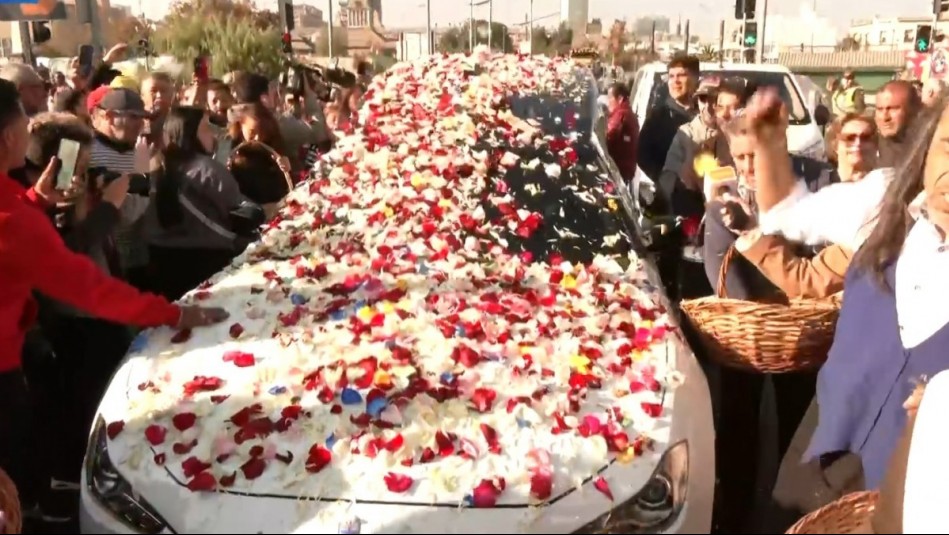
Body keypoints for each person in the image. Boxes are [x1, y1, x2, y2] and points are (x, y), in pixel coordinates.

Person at [0, 78, 226, 510]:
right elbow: (87, 285)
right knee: (18, 489)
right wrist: (174, 315)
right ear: (10, 136)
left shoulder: (19, 205)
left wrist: (37, 200)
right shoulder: (15, 218)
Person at [747, 85, 949, 493]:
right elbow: (788, 216)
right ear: (928, 147)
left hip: (910, 502)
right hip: (814, 471)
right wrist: (769, 143)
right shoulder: (883, 203)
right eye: (948, 146)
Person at [146, 107, 262, 300]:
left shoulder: (157, 168)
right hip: (211, 259)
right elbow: (239, 208)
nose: (212, 135)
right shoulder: (205, 169)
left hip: (162, 263)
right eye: (206, 129)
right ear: (190, 134)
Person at [637, 54, 700, 183]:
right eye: (671, 76)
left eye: (681, 75)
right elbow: (642, 156)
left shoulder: (707, 114)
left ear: (695, 78)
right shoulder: (657, 118)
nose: (675, 81)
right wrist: (663, 181)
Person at [875, 80, 921, 168]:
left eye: (893, 109)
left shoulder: (931, 146)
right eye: (880, 109)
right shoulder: (864, 143)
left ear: (914, 110)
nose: (885, 117)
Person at [604, 81, 639, 182]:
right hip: (627, 169)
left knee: (611, 197)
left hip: (618, 170)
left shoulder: (620, 115)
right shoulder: (629, 113)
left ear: (620, 99)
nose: (608, 102)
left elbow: (609, 136)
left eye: (610, 98)